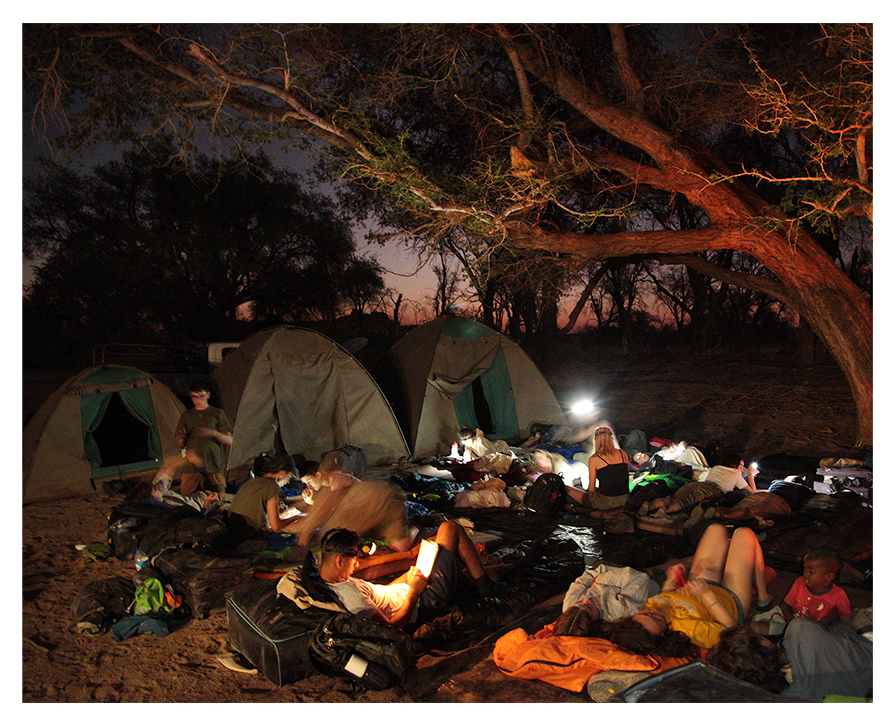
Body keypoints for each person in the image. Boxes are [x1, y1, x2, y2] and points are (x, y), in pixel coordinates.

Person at [591, 523, 774, 652]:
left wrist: (671, 580)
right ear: (664, 633)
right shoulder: (689, 630)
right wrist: (707, 597)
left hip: (699, 584)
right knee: (744, 533)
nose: (653, 611)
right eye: (656, 619)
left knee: (716, 529)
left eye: (645, 613)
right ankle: (763, 597)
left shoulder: (647, 616)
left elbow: (664, 597)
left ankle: (733, 556)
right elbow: (731, 630)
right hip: (728, 599)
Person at [316, 521, 495, 629]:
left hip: (411, 588)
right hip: (423, 603)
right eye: (354, 560)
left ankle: (483, 579)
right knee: (450, 528)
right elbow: (392, 627)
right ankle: (488, 589)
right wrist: (414, 592)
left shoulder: (332, 579)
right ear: (339, 560)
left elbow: (379, 596)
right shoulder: (351, 596)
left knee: (450, 556)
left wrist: (407, 578)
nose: (356, 565)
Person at [227, 452, 306, 537]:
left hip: (232, 528)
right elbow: (276, 527)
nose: (289, 481)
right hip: (245, 534)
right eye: (289, 476)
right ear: (282, 473)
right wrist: (297, 517)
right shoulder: (271, 486)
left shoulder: (250, 483)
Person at [174, 381, 233, 495]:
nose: (197, 400)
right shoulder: (187, 415)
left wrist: (213, 433)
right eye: (194, 397)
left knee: (218, 496)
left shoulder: (217, 414)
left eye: (201, 396)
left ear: (208, 395)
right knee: (187, 496)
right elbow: (181, 444)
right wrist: (181, 438)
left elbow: (229, 440)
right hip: (191, 467)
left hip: (213, 465)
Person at [564, 425, 630, 510]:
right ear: (611, 439)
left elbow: (591, 487)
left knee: (568, 489)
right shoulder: (622, 453)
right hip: (625, 498)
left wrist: (589, 497)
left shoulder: (594, 459)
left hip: (607, 502)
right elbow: (624, 475)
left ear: (596, 440)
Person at [781, 547, 852, 626]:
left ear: (829, 577)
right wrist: (793, 623)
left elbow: (846, 621)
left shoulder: (839, 595)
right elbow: (785, 606)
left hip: (817, 633)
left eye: (811, 572)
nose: (806, 574)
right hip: (793, 626)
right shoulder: (800, 582)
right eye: (805, 569)